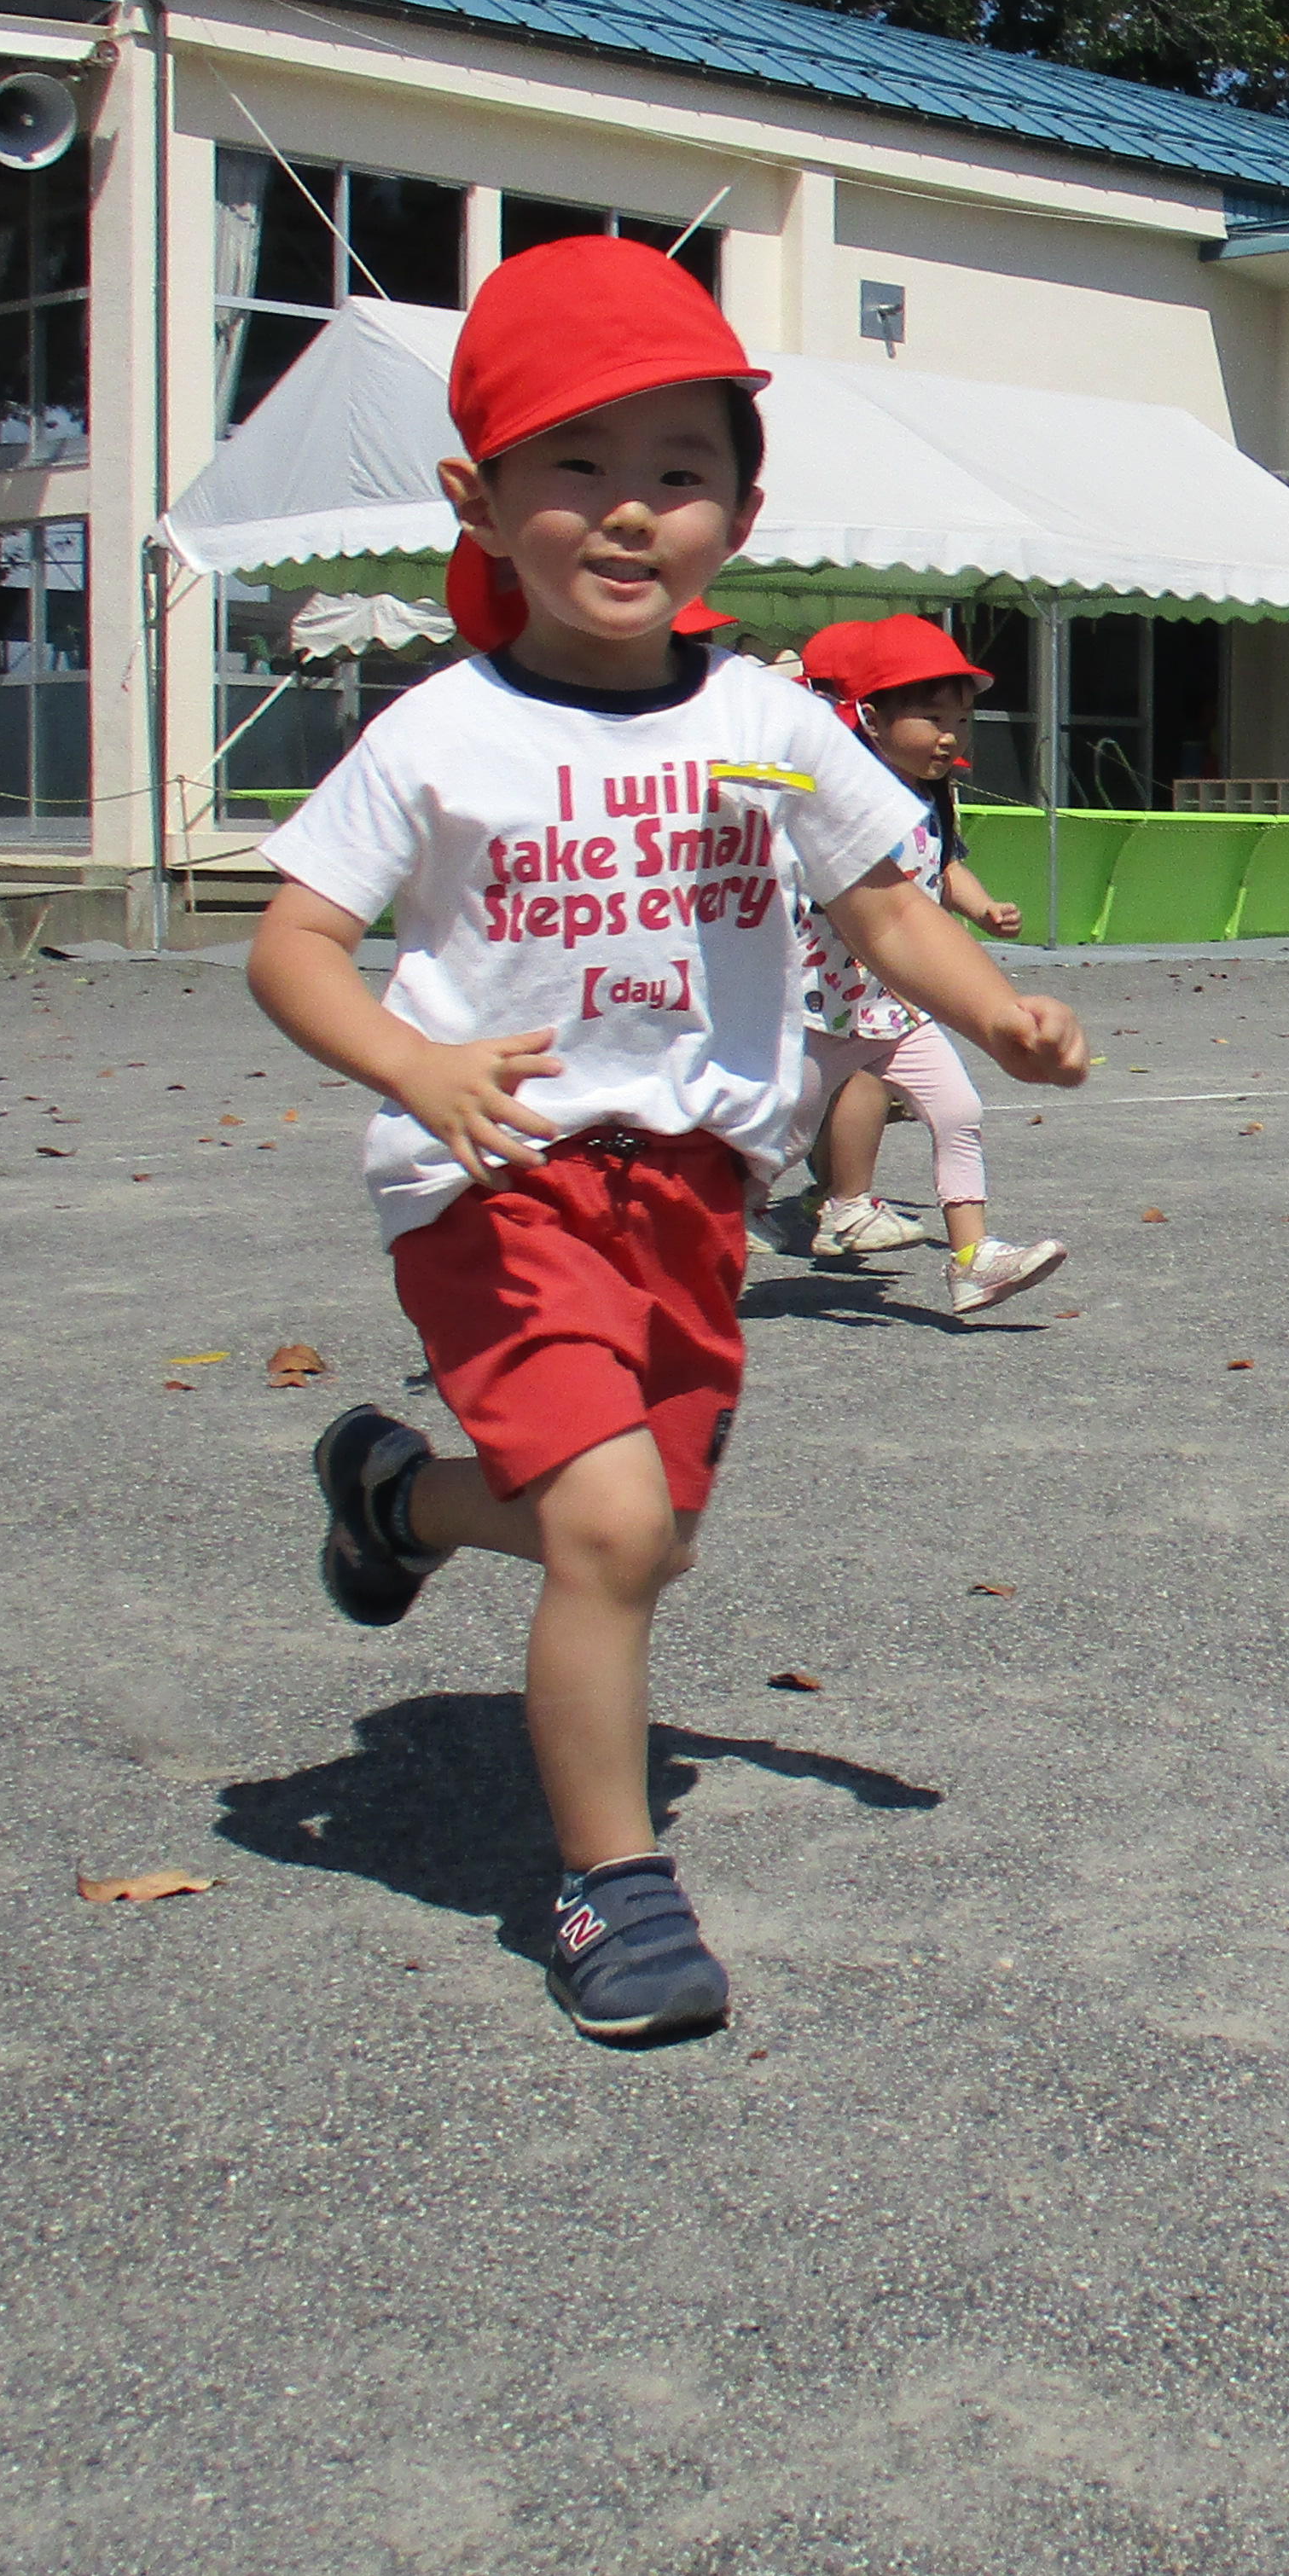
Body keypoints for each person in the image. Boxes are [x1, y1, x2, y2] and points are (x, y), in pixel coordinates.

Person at [242, 241, 1089, 2045]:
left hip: (700, 1187)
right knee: (611, 1526)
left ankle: (394, 1496)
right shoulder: (441, 734)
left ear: (744, 507)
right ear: (475, 496)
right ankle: (609, 1886)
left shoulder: (763, 736)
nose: (629, 516)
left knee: (640, 1534)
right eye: (576, 469)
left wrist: (996, 1012)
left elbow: (875, 902)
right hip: (501, 1174)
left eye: (678, 475)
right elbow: (291, 942)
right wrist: (414, 1064)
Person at [785, 613, 1071, 1315]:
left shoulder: (932, 797)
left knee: (960, 1109)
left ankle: (973, 1257)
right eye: (932, 716)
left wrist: (981, 910)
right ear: (870, 720)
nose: (950, 735)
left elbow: (940, 871)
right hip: (821, 1003)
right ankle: (686, 1249)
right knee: (771, 1139)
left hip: (898, 1002)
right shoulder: (835, 793)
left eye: (963, 719)